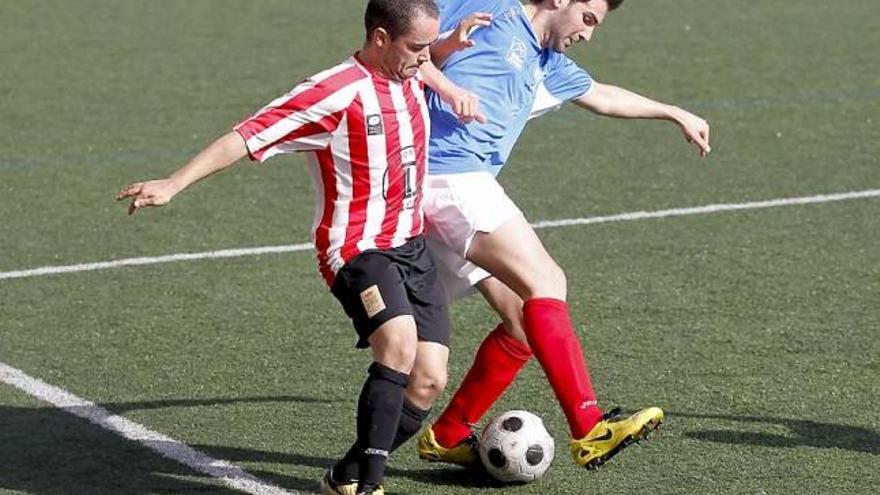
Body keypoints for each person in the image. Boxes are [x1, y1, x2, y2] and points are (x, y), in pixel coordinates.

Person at [115, 1, 485, 494]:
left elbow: (427, 68)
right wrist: (174, 183)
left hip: (412, 247)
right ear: (379, 38)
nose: (427, 57)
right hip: (356, 249)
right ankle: (371, 487)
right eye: (417, 47)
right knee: (397, 346)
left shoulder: (411, 69)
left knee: (428, 382)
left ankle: (345, 476)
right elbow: (245, 136)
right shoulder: (332, 92)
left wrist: (449, 72)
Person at [411, 0, 712, 471]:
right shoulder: (489, 8)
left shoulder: (547, 64)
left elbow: (603, 96)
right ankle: (589, 427)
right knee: (547, 282)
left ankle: (446, 435)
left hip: (458, 186)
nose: (588, 34)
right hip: (448, 178)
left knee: (521, 322)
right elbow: (410, 24)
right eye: (587, 18)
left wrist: (673, 112)